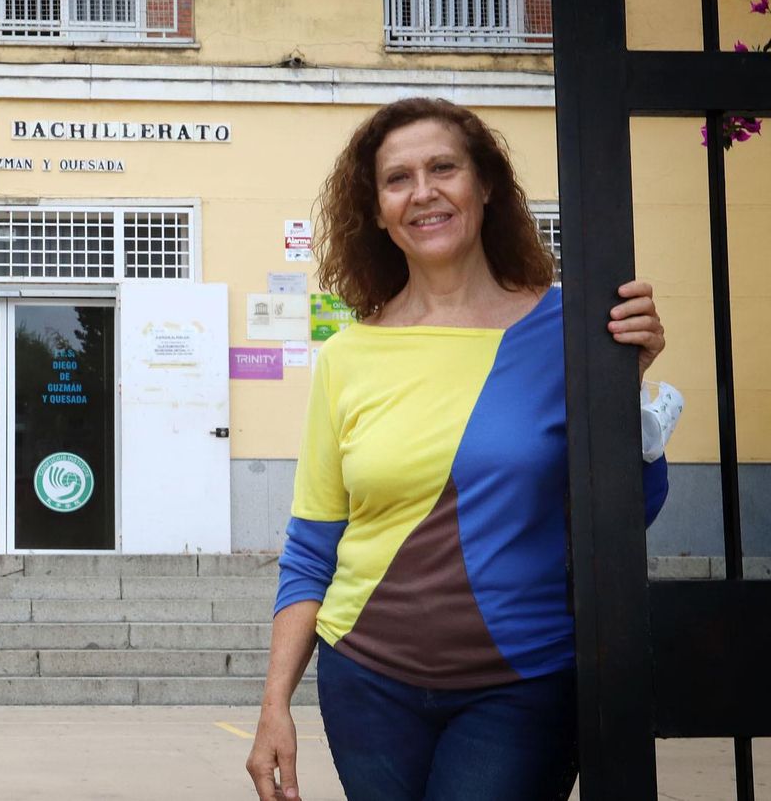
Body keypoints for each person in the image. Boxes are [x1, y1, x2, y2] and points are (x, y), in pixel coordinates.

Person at [245, 97, 672, 801]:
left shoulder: (571, 326)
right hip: (365, 681)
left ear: (486, 186)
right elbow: (312, 545)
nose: (424, 192)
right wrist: (273, 707)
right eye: (397, 179)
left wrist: (628, 381)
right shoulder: (349, 354)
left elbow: (631, 513)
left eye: (444, 168)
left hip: (522, 684)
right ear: (377, 210)